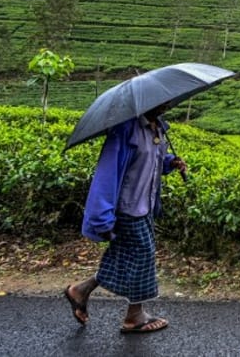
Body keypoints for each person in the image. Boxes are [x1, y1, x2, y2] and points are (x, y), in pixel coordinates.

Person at [63, 101, 188, 333]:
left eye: (168, 103)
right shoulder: (125, 130)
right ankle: (134, 317)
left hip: (146, 205)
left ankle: (79, 291)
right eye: (162, 104)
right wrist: (101, 218)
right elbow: (107, 173)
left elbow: (150, 162)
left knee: (121, 256)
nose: (166, 106)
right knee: (143, 254)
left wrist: (169, 162)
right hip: (126, 207)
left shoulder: (158, 127)